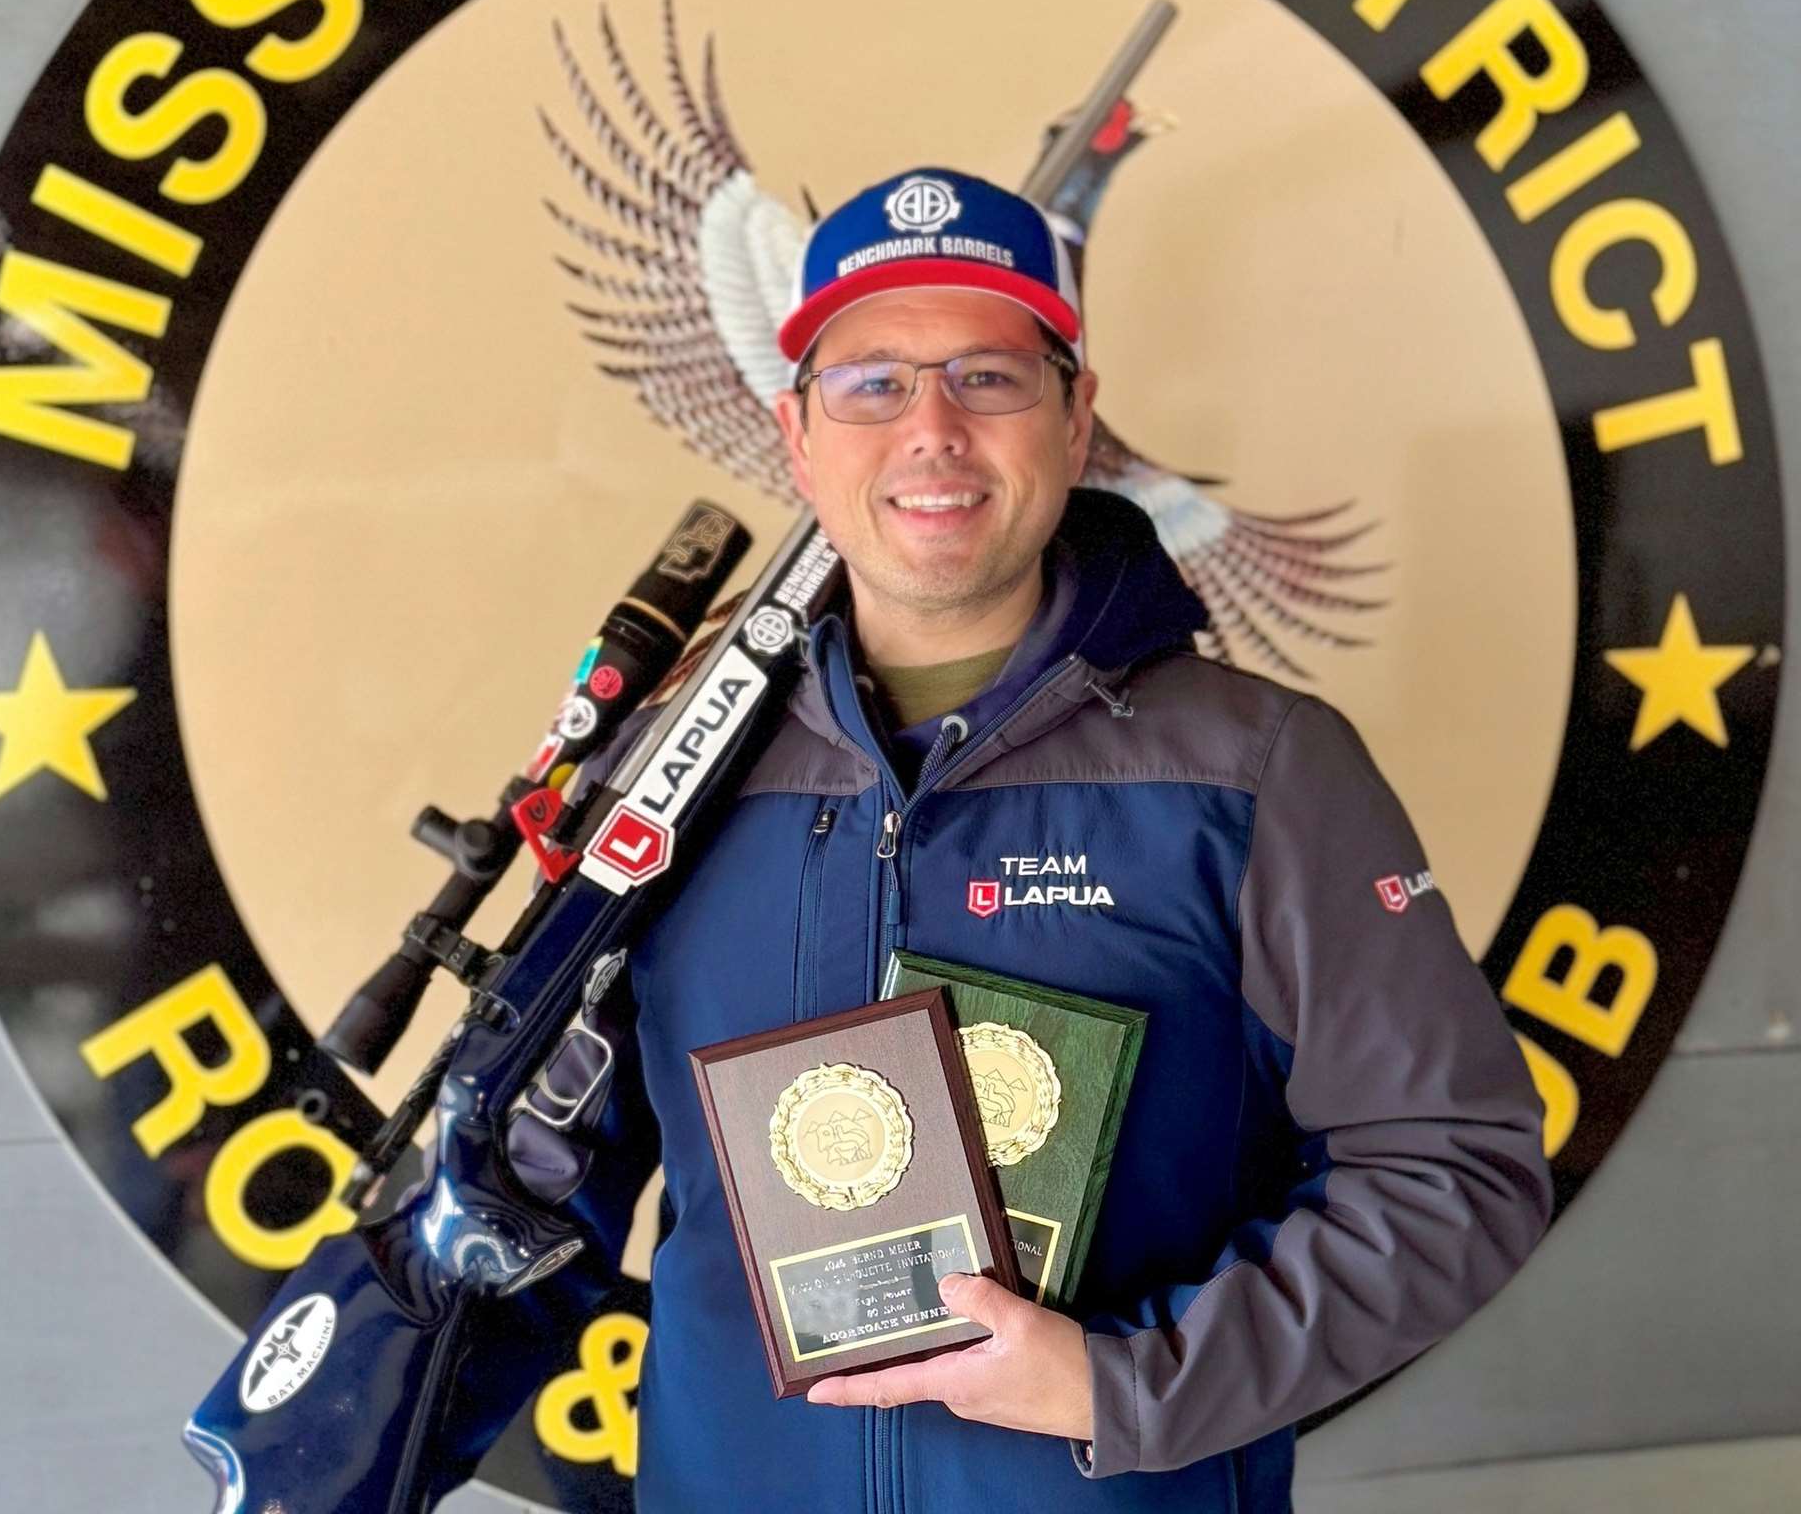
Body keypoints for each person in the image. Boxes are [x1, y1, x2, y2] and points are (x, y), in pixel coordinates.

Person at [506, 166, 1554, 1512]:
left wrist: (1127, 1384)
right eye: (873, 384)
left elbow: (1455, 1176)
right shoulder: (667, 780)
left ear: (1076, 418)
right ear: (797, 433)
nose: (932, 429)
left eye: (988, 378)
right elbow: (535, 1192)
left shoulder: (1257, 771)